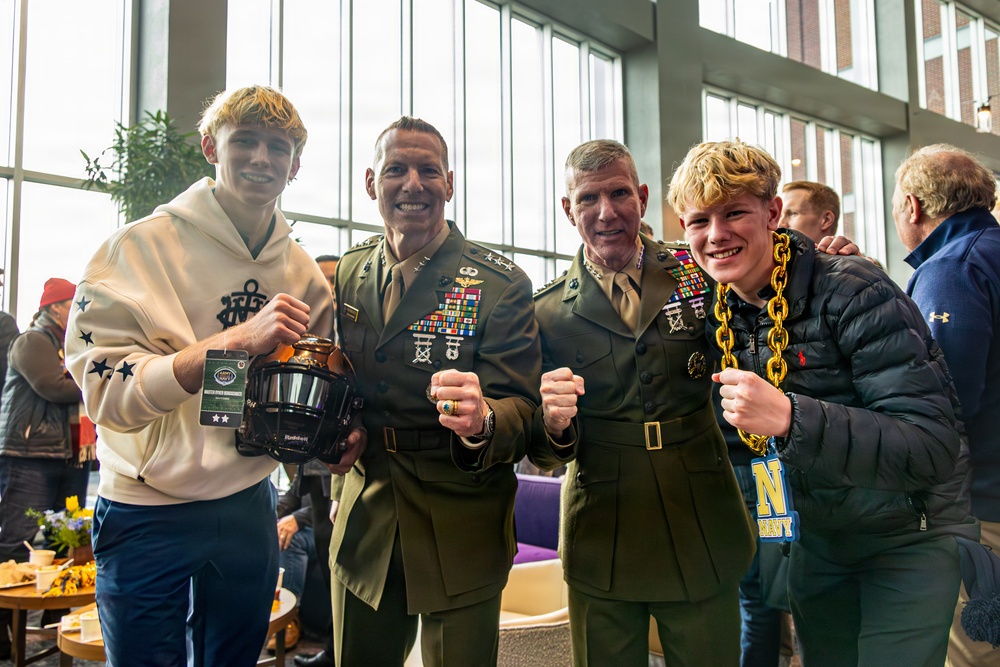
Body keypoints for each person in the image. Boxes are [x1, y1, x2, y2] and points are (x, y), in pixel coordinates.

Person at [667, 139, 978, 667]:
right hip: (816, 545)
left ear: (771, 213)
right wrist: (775, 539)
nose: (716, 235)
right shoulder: (720, 311)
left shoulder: (854, 290)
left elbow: (933, 444)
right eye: (699, 221)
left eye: (734, 213)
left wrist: (791, 418)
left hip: (905, 544)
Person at [64, 85, 334, 667]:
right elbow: (105, 392)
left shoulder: (304, 273)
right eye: (246, 142)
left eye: (278, 147)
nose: (262, 158)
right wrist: (232, 344)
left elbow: (318, 387)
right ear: (212, 146)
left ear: (295, 164)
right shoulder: (135, 251)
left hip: (246, 503)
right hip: (145, 505)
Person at [529, 139, 754, 666]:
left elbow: (770, 287)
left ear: (643, 197)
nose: (606, 212)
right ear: (568, 209)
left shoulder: (699, 272)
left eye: (619, 193)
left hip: (698, 511)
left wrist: (822, 257)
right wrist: (555, 424)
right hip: (603, 523)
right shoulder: (545, 313)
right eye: (588, 199)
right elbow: (542, 452)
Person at [327, 116, 541, 666]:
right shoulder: (349, 271)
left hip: (460, 519)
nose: (413, 184)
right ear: (372, 182)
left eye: (428, 170)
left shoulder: (499, 283)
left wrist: (483, 419)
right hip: (366, 515)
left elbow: (524, 405)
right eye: (397, 169)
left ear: (450, 183)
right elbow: (347, 384)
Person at [889, 144, 1000, 667]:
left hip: (981, 506)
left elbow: (944, 401)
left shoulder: (952, 270)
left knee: (971, 653)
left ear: (912, 206)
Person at [0, 277, 90, 659]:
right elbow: (54, 387)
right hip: (30, 455)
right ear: (55, 307)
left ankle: (56, 628)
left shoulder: (73, 347)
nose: (81, 312)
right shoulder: (33, 341)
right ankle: (3, 633)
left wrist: (88, 372)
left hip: (71, 457)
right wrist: (97, 378)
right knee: (15, 545)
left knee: (65, 547)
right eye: (75, 304)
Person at [292, 254, 343, 667]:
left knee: (344, 569)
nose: (327, 291)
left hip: (343, 469)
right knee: (328, 568)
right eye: (320, 283)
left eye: (333, 282)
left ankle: (340, 651)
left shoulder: (355, 340)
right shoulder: (304, 340)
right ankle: (330, 648)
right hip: (309, 472)